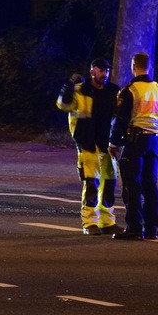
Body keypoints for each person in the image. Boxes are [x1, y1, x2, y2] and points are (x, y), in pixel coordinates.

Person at [56, 57, 120, 235]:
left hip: (107, 145)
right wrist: (68, 86)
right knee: (91, 183)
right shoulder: (80, 90)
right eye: (101, 70)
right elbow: (63, 104)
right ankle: (89, 222)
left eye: (106, 71)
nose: (104, 74)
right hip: (87, 144)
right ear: (92, 71)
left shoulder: (113, 91)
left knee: (108, 184)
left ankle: (107, 221)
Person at [109, 52, 158, 240]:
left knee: (131, 185)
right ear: (149, 67)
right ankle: (151, 229)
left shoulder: (130, 91)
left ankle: (134, 228)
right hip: (154, 141)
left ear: (133, 66)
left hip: (134, 141)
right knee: (150, 185)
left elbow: (120, 120)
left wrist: (114, 142)